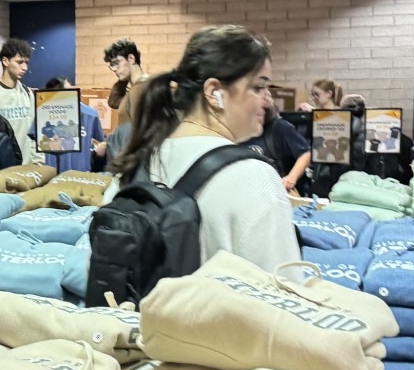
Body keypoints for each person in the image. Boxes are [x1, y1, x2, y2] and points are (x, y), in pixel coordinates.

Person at [106, 25, 300, 272]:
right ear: (214, 92)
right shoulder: (254, 178)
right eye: (258, 87)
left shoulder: (134, 164)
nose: (266, 99)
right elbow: (284, 290)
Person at [240, 96, 309, 192]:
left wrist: (291, 177)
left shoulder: (280, 127)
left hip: (277, 191)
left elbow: (306, 153)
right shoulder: (239, 131)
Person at [39, 76, 104, 174]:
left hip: (81, 172)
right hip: (52, 173)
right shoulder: (43, 114)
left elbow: (100, 139)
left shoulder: (90, 114)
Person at [0, 38, 38, 164]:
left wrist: (37, 161)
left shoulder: (27, 93)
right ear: (5, 61)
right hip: (0, 168)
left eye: (27, 63)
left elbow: (34, 133)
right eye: (20, 62)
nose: (25, 68)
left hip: (27, 168)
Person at [104, 38, 149, 131]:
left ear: (131, 58)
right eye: (111, 66)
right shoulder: (133, 89)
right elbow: (113, 102)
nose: (114, 69)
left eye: (116, 63)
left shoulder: (147, 86)